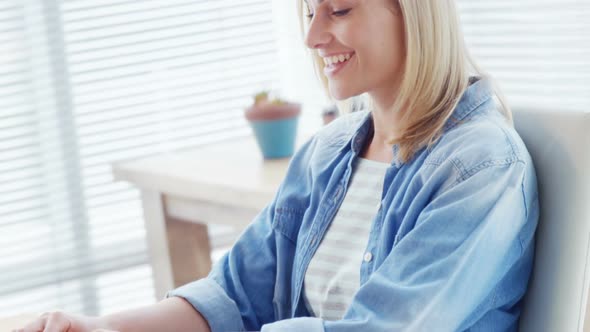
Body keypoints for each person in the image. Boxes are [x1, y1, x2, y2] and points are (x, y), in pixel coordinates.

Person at [17, 0, 539, 331]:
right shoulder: (326, 154)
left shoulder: (481, 169)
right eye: (310, 11)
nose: (312, 37)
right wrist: (101, 328)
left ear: (413, 12)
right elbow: (233, 299)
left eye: (338, 11)